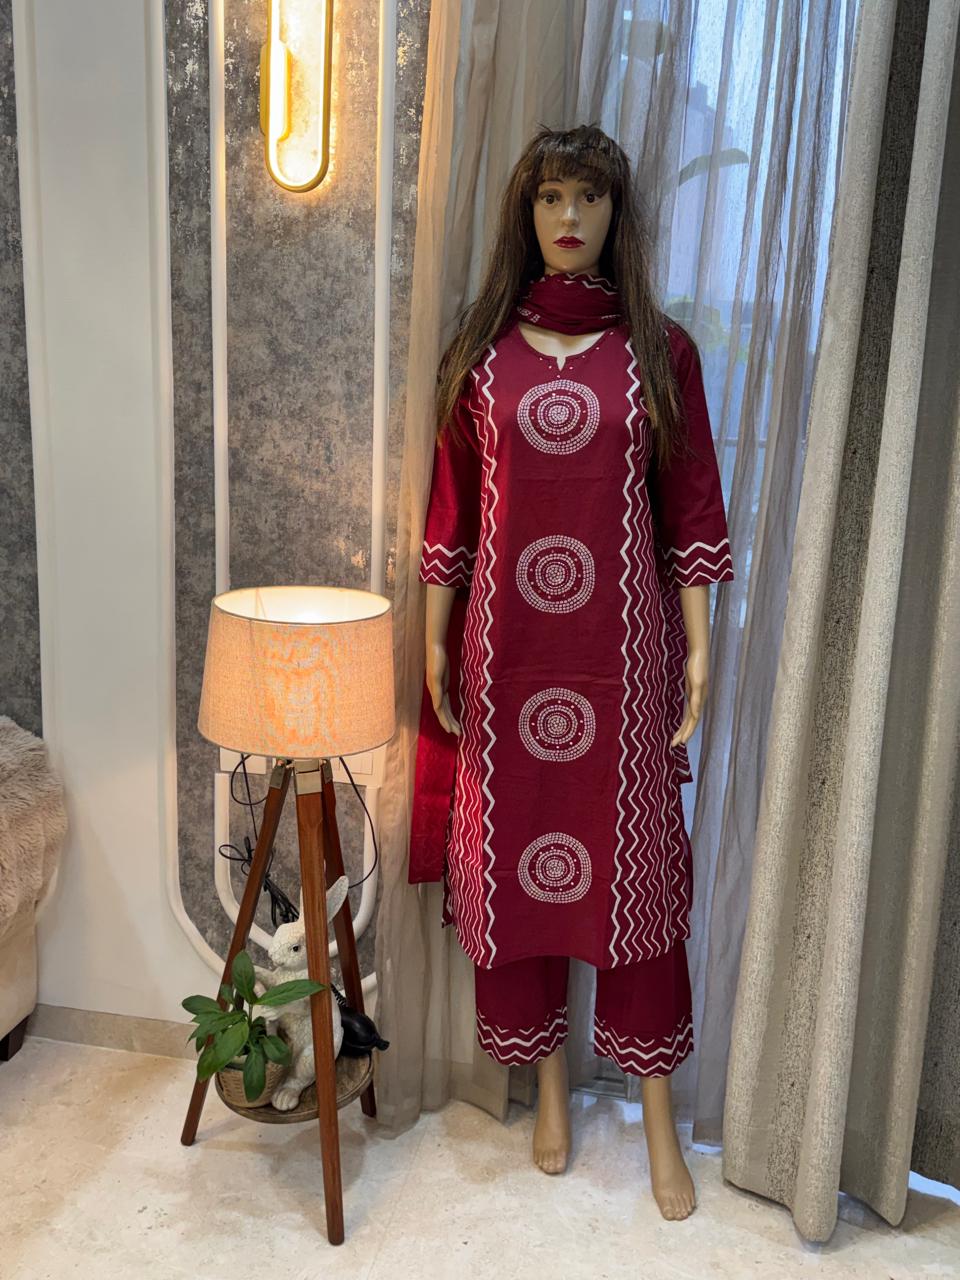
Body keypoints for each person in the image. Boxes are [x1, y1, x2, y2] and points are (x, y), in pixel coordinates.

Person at [412, 123, 734, 1222]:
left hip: (625, 662)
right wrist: (435, 640)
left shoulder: (660, 352)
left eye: (589, 198)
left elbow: (691, 506)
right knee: (520, 864)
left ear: (615, 216)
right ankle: (548, 1087)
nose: (569, 217)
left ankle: (657, 1120)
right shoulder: (482, 352)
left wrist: (699, 646)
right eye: (552, 196)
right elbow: (452, 510)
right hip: (505, 659)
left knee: (636, 877)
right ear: (527, 211)